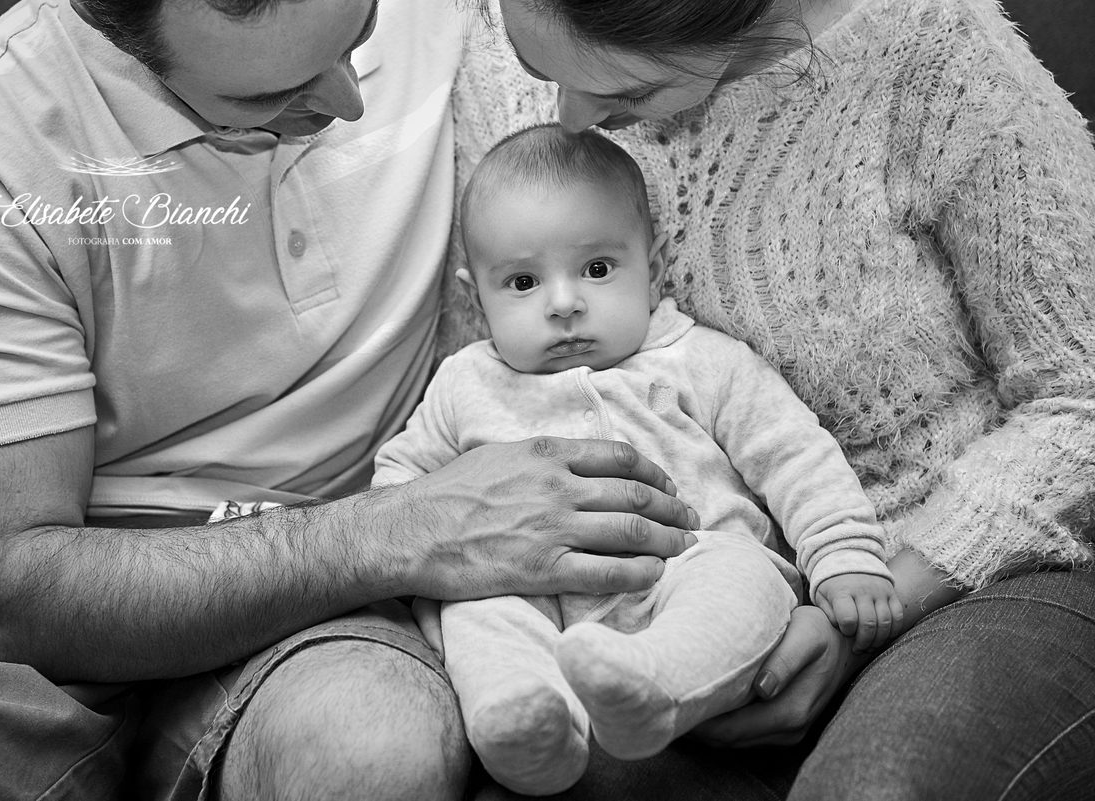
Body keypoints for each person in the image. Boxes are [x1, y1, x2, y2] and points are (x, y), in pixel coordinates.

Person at [0, 0, 700, 798]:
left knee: (373, 754)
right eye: (266, 96)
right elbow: (11, 589)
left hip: (321, 596)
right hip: (53, 579)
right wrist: (408, 525)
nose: (349, 101)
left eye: (361, 36)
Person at [436, 0, 1095, 797]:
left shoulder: (940, 58)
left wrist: (860, 606)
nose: (567, 119)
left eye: (627, 86)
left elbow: (1080, 399)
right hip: (644, 592)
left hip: (968, 560)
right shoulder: (500, 33)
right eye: (539, 70)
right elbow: (481, 385)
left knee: (876, 785)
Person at [373, 122, 902, 796]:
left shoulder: (703, 360)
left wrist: (844, 554)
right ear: (477, 299)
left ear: (650, 271)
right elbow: (398, 492)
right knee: (481, 611)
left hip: (691, 560)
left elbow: (795, 455)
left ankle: (655, 683)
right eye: (524, 281)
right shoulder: (464, 385)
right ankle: (526, 719)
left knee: (740, 576)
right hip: (535, 591)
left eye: (597, 268)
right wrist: (427, 586)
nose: (565, 303)